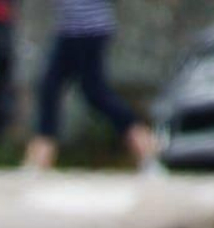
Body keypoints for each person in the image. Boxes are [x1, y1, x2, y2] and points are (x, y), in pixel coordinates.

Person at [23, 0, 154, 169]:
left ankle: (144, 143)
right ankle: (40, 156)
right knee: (50, 89)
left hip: (88, 29)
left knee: (94, 93)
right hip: (69, 29)